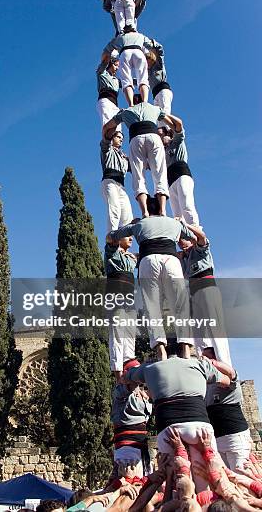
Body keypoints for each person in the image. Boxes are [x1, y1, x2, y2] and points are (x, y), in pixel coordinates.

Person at [123, 342, 236, 492]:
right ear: (185, 347)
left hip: (169, 428)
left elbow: (125, 377)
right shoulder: (199, 364)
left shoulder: (150, 368)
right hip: (199, 426)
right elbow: (227, 381)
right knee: (205, 484)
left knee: (177, 487)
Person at [106, 197, 202, 359]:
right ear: (161, 207)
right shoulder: (173, 223)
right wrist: (180, 225)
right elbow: (195, 238)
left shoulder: (140, 224)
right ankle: (185, 348)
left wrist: (132, 224)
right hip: (171, 260)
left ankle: (160, 350)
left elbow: (111, 236)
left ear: (147, 210)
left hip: (148, 261)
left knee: (152, 307)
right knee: (180, 305)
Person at [103, 104, 183, 217]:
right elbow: (175, 125)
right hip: (153, 137)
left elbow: (107, 127)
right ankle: (163, 211)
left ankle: (145, 212)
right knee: (159, 174)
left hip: (136, 139)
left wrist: (107, 134)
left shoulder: (126, 111)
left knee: (138, 177)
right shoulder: (154, 108)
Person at [179, 224, 231, 365]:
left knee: (215, 327)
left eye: (184, 239)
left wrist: (185, 225)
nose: (181, 242)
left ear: (191, 240)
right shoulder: (183, 258)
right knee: (199, 334)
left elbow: (202, 237)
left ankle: (225, 364)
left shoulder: (200, 250)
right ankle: (206, 364)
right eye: (179, 240)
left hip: (207, 288)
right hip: (194, 294)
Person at [204, 349, 251, 471]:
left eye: (206, 357)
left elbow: (230, 373)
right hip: (218, 441)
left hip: (235, 438)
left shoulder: (230, 379)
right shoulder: (207, 385)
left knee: (242, 479)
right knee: (227, 484)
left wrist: (210, 362)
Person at [105, 235, 137, 376]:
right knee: (117, 332)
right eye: (128, 237)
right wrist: (128, 227)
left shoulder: (131, 259)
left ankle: (128, 362)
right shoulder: (112, 253)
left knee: (130, 333)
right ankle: (118, 371)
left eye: (132, 237)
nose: (131, 239)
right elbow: (110, 239)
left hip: (129, 299)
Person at [111, 368, 152, 478]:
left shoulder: (143, 397)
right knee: (129, 483)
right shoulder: (120, 393)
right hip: (127, 450)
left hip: (141, 448)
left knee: (143, 485)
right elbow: (130, 385)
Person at [158, 120, 200, 226]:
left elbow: (178, 126)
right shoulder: (161, 153)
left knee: (186, 205)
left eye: (161, 135)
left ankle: (196, 231)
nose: (160, 139)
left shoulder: (177, 142)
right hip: (171, 181)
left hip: (182, 175)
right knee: (177, 215)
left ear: (168, 134)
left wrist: (164, 116)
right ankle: (184, 238)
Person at [102, 32, 152, 106]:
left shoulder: (119, 38)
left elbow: (106, 51)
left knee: (126, 81)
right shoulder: (139, 35)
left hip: (125, 53)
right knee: (143, 78)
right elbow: (151, 45)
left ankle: (131, 104)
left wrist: (104, 62)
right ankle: (145, 102)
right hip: (139, 52)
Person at [100, 130, 133, 231]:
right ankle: (111, 237)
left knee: (127, 213)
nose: (121, 140)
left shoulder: (124, 157)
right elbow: (105, 141)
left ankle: (125, 239)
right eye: (118, 137)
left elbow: (138, 167)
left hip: (121, 185)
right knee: (115, 209)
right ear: (112, 138)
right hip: (110, 181)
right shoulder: (108, 150)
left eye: (122, 139)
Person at [144, 40, 173, 124]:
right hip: (155, 94)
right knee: (158, 116)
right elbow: (139, 81)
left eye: (147, 60)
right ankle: (162, 131)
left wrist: (152, 43)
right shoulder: (147, 73)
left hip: (163, 90)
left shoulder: (158, 66)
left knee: (165, 111)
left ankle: (168, 130)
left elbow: (160, 51)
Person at [96, 52, 122, 129]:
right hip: (105, 100)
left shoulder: (116, 80)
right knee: (107, 123)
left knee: (117, 127)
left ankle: (116, 140)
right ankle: (107, 140)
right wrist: (110, 53)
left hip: (114, 103)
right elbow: (104, 63)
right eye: (116, 65)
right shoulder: (102, 73)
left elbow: (128, 82)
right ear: (111, 63)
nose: (117, 68)